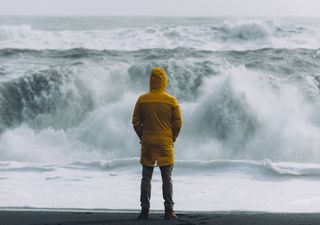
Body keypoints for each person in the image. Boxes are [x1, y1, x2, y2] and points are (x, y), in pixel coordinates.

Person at [132, 67, 182, 220]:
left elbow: (135, 122)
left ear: (151, 81)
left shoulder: (142, 99)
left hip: (148, 142)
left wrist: (143, 136)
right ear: (164, 81)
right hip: (165, 143)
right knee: (167, 177)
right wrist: (172, 138)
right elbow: (178, 123)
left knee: (146, 177)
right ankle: (169, 211)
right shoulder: (171, 101)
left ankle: (144, 211)